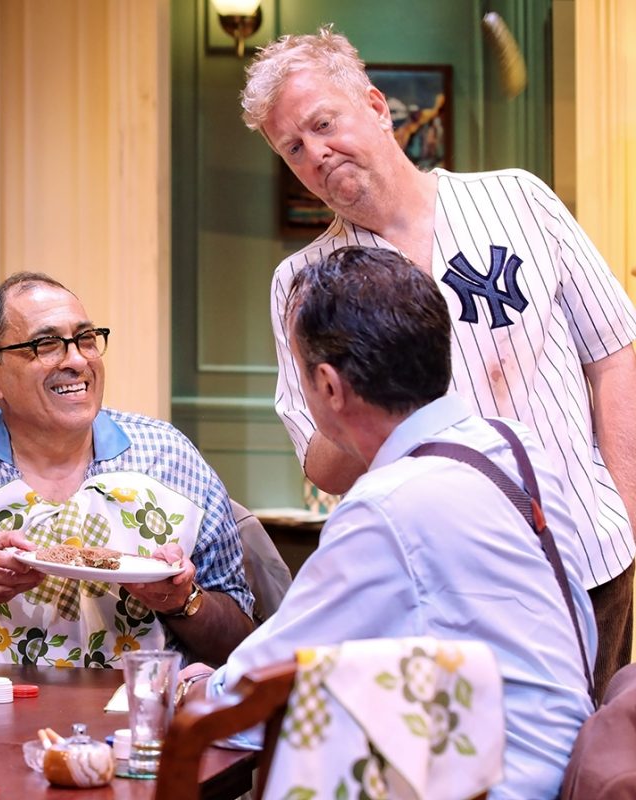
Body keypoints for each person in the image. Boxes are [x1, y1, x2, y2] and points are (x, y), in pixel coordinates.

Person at [242, 26, 636, 699]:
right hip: (435, 585)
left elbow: (614, 356)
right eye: (293, 148)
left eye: (323, 123)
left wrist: (627, 516)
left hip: (584, 561)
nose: (315, 154)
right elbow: (320, 464)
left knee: (593, 771)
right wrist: (353, 399)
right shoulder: (305, 284)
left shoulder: (520, 201)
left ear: (373, 103)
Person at [182, 246, 595, 799]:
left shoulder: (388, 504)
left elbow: (254, 701)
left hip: (493, 782)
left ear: (328, 386)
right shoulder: (514, 447)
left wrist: (198, 688)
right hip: (562, 765)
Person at [0, 273, 257, 668]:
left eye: (85, 339)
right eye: (47, 345)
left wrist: (183, 600)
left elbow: (242, 643)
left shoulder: (169, 459)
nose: (78, 360)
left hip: (134, 718)